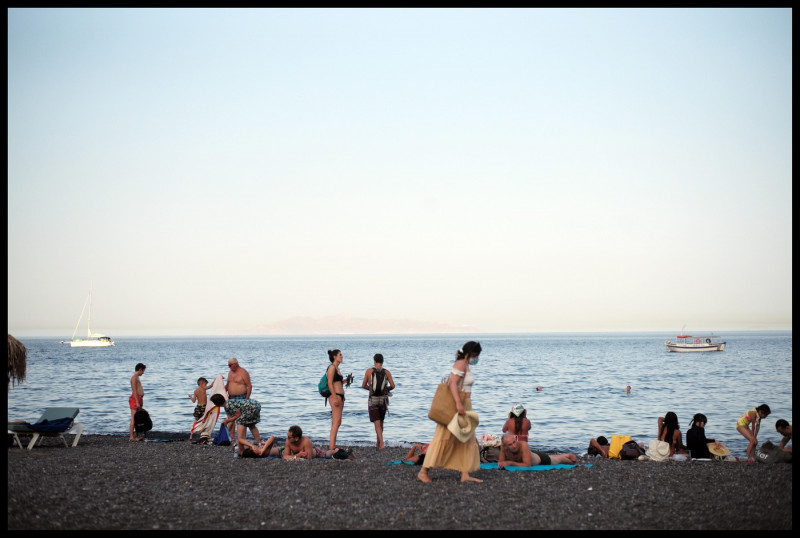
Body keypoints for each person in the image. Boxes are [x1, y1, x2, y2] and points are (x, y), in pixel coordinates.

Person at [417, 341, 483, 484]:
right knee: (444, 437)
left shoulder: (465, 365)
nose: (477, 358)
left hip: (465, 404)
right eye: (477, 355)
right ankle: (423, 471)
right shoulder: (460, 364)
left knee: (466, 439)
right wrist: (459, 403)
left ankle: (465, 473)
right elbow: (452, 383)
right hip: (457, 405)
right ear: (471, 353)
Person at [361, 353, 396, 449]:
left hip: (373, 399)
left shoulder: (369, 371)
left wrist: (371, 389)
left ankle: (382, 444)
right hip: (383, 399)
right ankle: (378, 443)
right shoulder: (387, 372)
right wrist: (386, 389)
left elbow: (363, 385)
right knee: (381, 422)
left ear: (374, 362)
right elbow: (393, 386)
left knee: (377, 423)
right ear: (382, 362)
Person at [498, 433, 577, 468]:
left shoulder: (523, 445)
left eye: (514, 442)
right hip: (532, 455)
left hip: (541, 459)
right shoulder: (503, 448)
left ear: (516, 439)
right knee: (551, 457)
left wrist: (510, 462)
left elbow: (527, 465)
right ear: (505, 446)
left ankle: (568, 458)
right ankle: (566, 455)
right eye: (510, 445)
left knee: (558, 460)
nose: (514, 446)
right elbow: (501, 462)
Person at [270, 425, 349, 460]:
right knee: (277, 450)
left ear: (296, 438)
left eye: (289, 437)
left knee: (326, 454)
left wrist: (296, 456)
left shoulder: (306, 441)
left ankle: (335, 450)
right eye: (287, 436)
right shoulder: (288, 441)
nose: (287, 438)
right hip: (295, 453)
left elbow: (308, 458)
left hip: (314, 452)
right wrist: (298, 455)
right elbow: (285, 457)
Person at [326, 349, 347, 451]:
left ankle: (332, 445)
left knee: (337, 422)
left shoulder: (337, 368)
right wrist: (334, 397)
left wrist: (345, 381)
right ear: (334, 356)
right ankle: (331, 446)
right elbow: (330, 383)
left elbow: (337, 383)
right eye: (340, 355)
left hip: (340, 395)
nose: (342, 356)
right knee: (336, 422)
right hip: (335, 396)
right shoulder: (331, 368)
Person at [128, 363, 146, 441]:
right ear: (140, 369)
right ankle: (131, 436)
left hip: (139, 398)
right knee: (134, 418)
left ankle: (138, 436)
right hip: (135, 399)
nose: (143, 373)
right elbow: (134, 390)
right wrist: (137, 402)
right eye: (143, 371)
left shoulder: (137, 377)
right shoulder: (134, 378)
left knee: (138, 418)